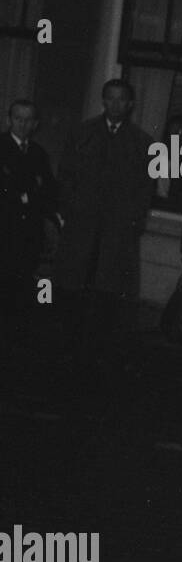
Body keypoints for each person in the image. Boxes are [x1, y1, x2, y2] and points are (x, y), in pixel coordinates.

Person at [52, 79, 153, 363]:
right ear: (103, 101)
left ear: (130, 104)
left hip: (116, 231)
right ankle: (69, 344)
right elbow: (66, 175)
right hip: (82, 226)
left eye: (122, 99)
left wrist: (133, 221)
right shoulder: (83, 133)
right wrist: (70, 209)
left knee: (108, 290)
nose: (116, 105)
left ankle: (99, 349)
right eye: (110, 99)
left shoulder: (141, 142)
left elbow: (145, 188)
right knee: (74, 285)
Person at [0, 99, 59, 335]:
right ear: (8, 120)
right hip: (4, 229)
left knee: (22, 287)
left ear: (35, 124)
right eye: (18, 119)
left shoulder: (38, 153)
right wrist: (26, 193)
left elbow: (48, 191)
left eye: (28, 120)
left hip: (29, 232)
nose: (22, 125)